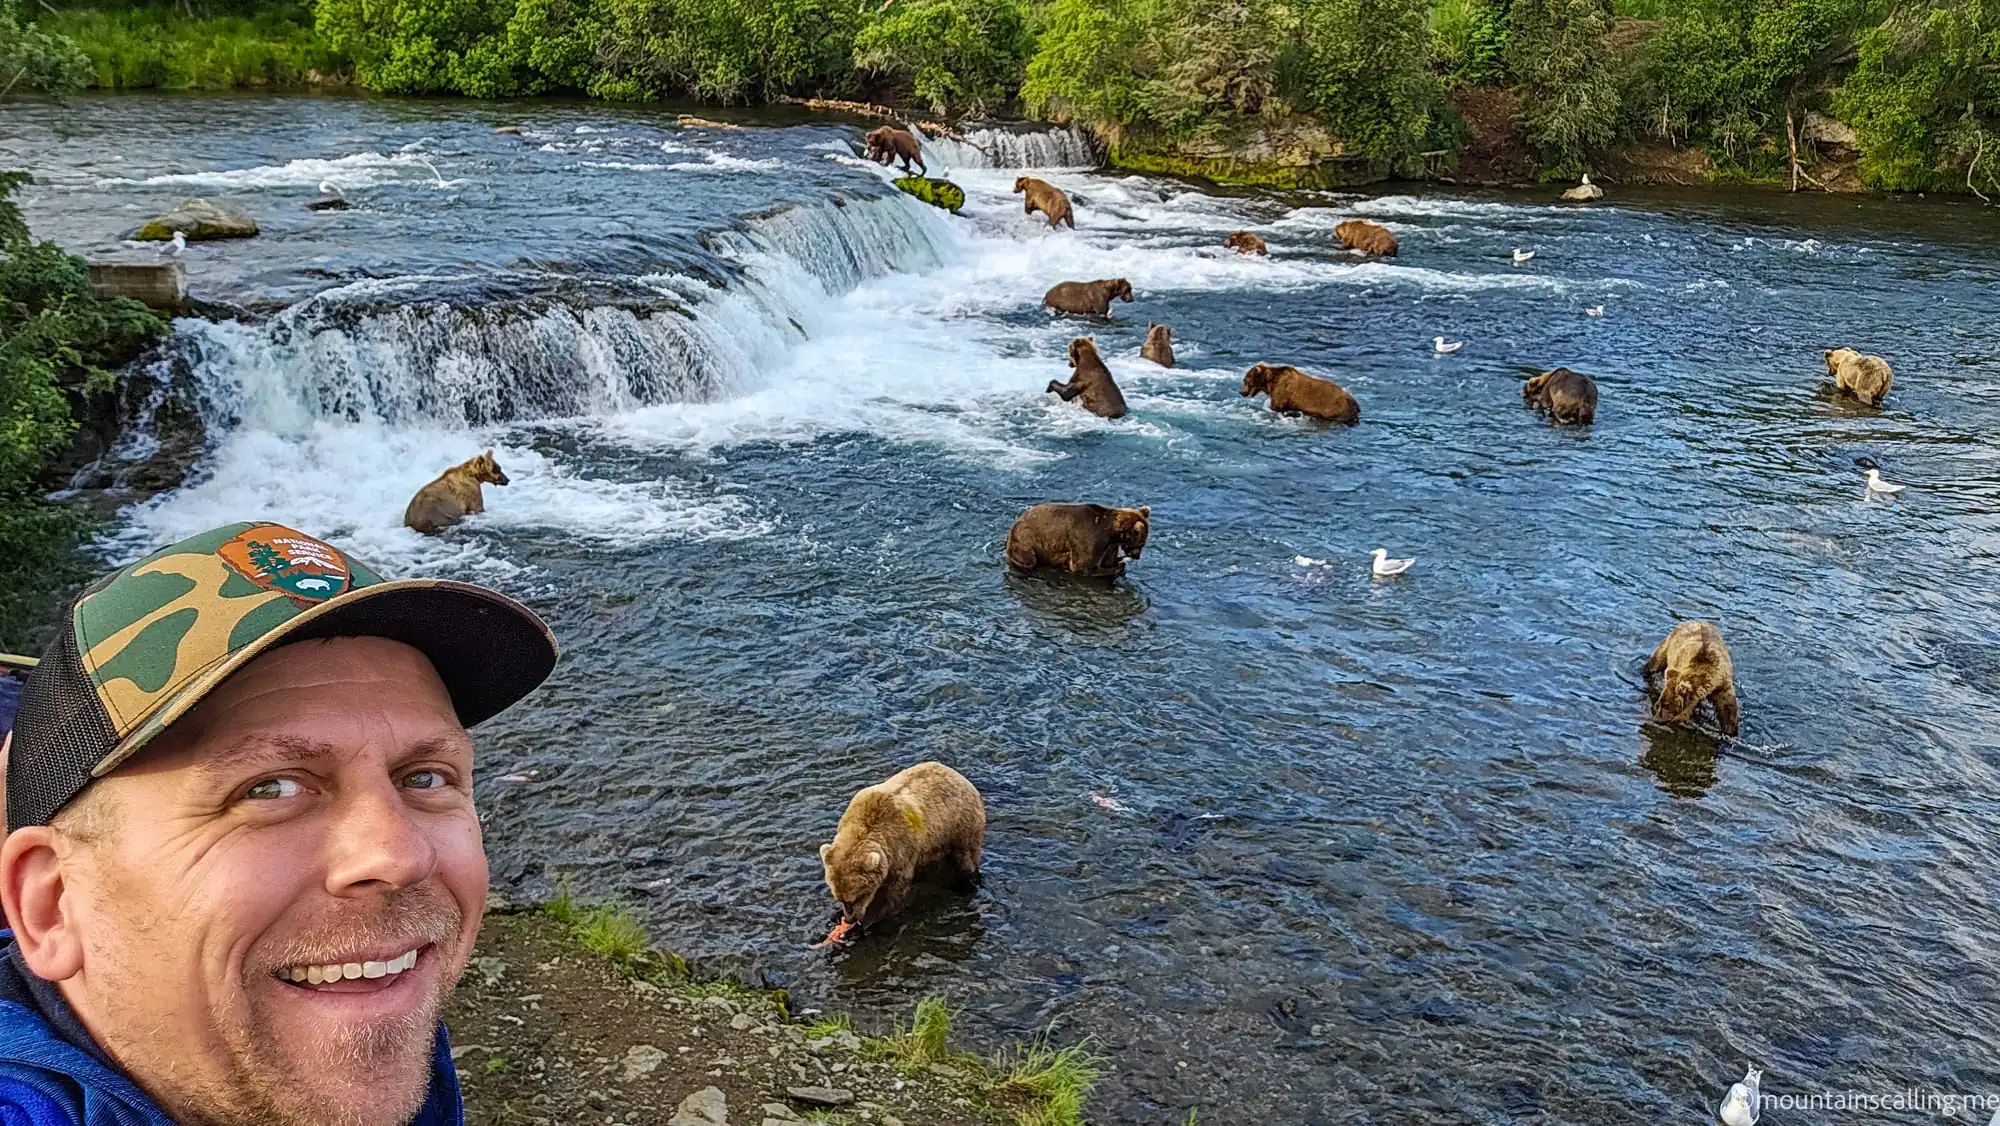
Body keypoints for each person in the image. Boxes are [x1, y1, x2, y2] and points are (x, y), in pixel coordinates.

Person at [0, 522, 557, 1126]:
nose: (399, 856)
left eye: (424, 777)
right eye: (270, 788)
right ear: (52, 905)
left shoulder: (337, 999)